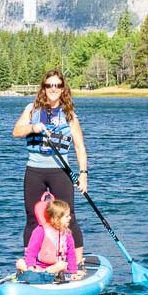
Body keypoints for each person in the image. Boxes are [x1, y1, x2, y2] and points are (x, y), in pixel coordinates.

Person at [12, 69, 88, 262]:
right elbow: (16, 131)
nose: (53, 89)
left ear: (63, 89)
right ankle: (30, 263)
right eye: (49, 85)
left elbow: (79, 147)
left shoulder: (69, 114)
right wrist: (32, 127)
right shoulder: (31, 109)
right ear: (44, 88)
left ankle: (77, 263)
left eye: (57, 85)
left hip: (60, 172)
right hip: (34, 171)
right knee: (33, 218)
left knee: (68, 217)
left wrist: (83, 174)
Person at [15, 198, 78, 279]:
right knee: (20, 262)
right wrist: (31, 267)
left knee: (62, 265)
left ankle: (40, 275)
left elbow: (71, 253)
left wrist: (73, 272)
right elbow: (31, 251)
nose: (70, 218)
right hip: (38, 266)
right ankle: (35, 274)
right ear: (56, 218)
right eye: (66, 216)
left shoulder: (67, 233)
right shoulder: (40, 230)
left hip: (55, 268)